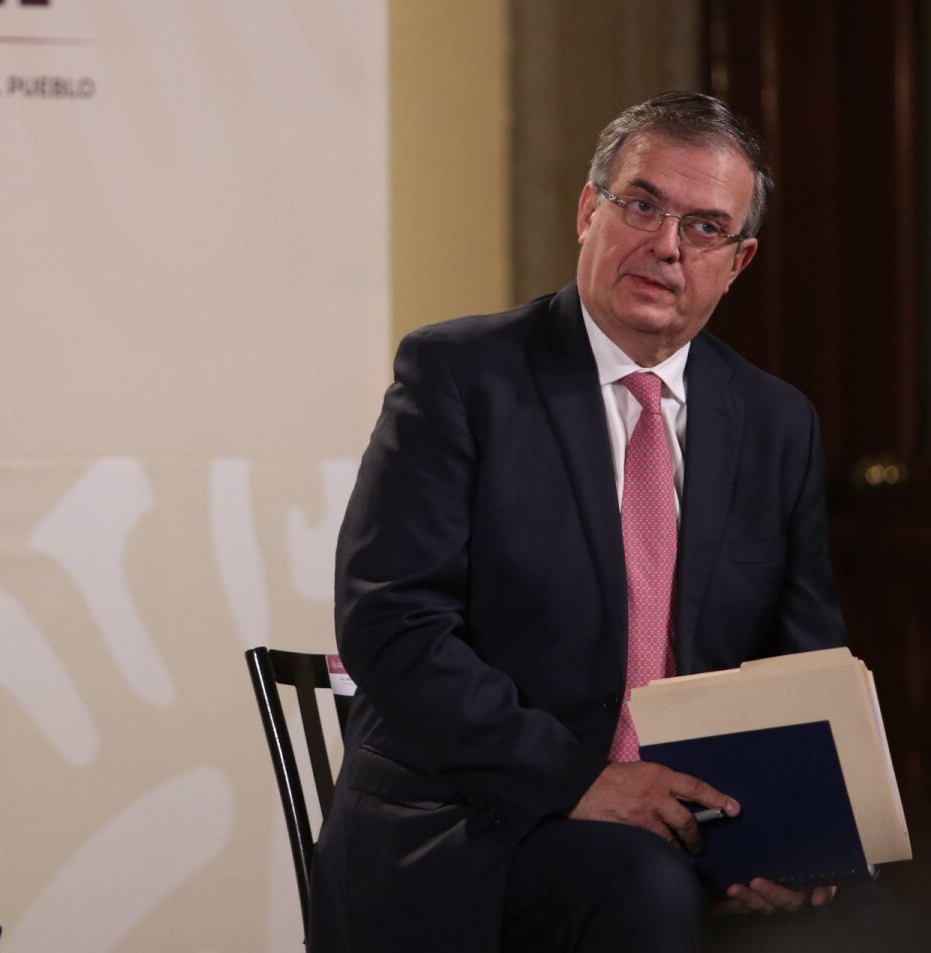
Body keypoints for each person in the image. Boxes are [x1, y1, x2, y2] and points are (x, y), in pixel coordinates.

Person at [308, 93, 850, 952]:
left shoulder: (777, 423)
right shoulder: (459, 376)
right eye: (642, 205)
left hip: (689, 826)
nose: (666, 245)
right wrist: (584, 780)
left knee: (847, 909)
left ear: (738, 261)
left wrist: (795, 835)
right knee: (643, 888)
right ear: (588, 210)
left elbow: (801, 659)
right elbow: (391, 623)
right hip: (470, 824)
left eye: (705, 226)